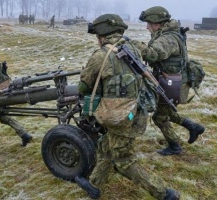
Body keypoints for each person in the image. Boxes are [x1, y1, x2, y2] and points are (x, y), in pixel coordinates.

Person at [75, 14, 180, 200]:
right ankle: (94, 185)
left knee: (124, 162)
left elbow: (84, 87)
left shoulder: (100, 56)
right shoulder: (133, 47)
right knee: (106, 147)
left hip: (118, 116)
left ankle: (164, 194)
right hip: (135, 112)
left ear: (101, 35)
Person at [130, 6, 205, 156]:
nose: (146, 27)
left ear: (157, 24)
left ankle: (175, 146)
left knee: (160, 117)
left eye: (148, 24)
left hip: (172, 83)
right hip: (171, 80)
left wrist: (131, 44)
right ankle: (193, 127)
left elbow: (152, 54)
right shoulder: (168, 34)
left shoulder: (167, 38)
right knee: (168, 112)